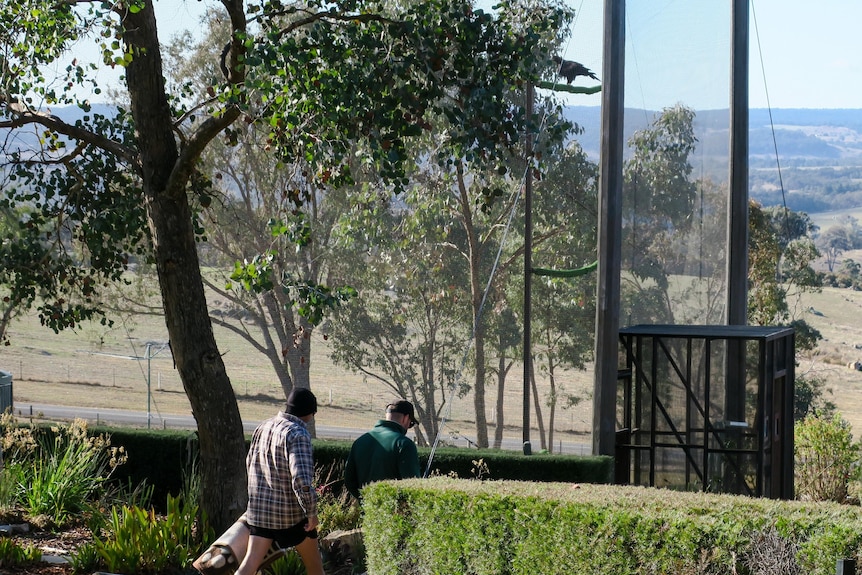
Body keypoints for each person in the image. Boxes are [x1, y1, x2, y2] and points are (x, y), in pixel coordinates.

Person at [234, 387, 324, 575]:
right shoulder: (298, 434)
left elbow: (250, 463)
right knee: (315, 567)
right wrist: (312, 513)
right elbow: (301, 480)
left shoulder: (263, 426)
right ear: (310, 412)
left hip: (259, 514)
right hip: (289, 518)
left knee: (249, 565)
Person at [344, 399, 421, 500]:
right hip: (394, 512)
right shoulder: (404, 444)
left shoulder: (359, 441)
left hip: (367, 510)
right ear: (406, 418)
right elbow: (413, 486)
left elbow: (349, 481)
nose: (408, 427)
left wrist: (365, 500)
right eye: (410, 423)